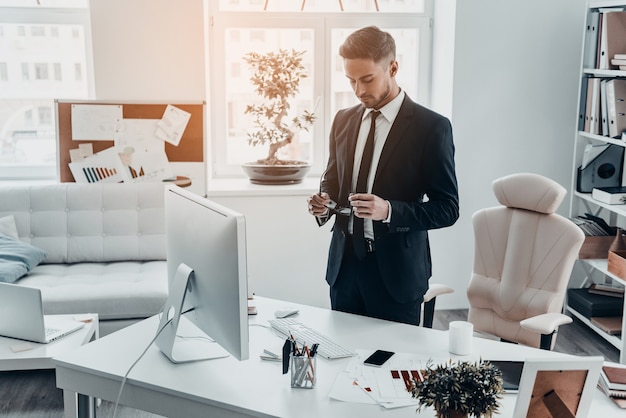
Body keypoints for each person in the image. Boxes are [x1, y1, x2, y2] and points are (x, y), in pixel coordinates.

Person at [307, 26, 459, 326]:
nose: (359, 90)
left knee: (391, 366)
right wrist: (324, 202)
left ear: (393, 67)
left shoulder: (431, 128)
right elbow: (332, 178)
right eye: (351, 81)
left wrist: (388, 210)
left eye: (367, 79)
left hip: (397, 275)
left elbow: (448, 209)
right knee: (342, 364)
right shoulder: (343, 120)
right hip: (344, 269)